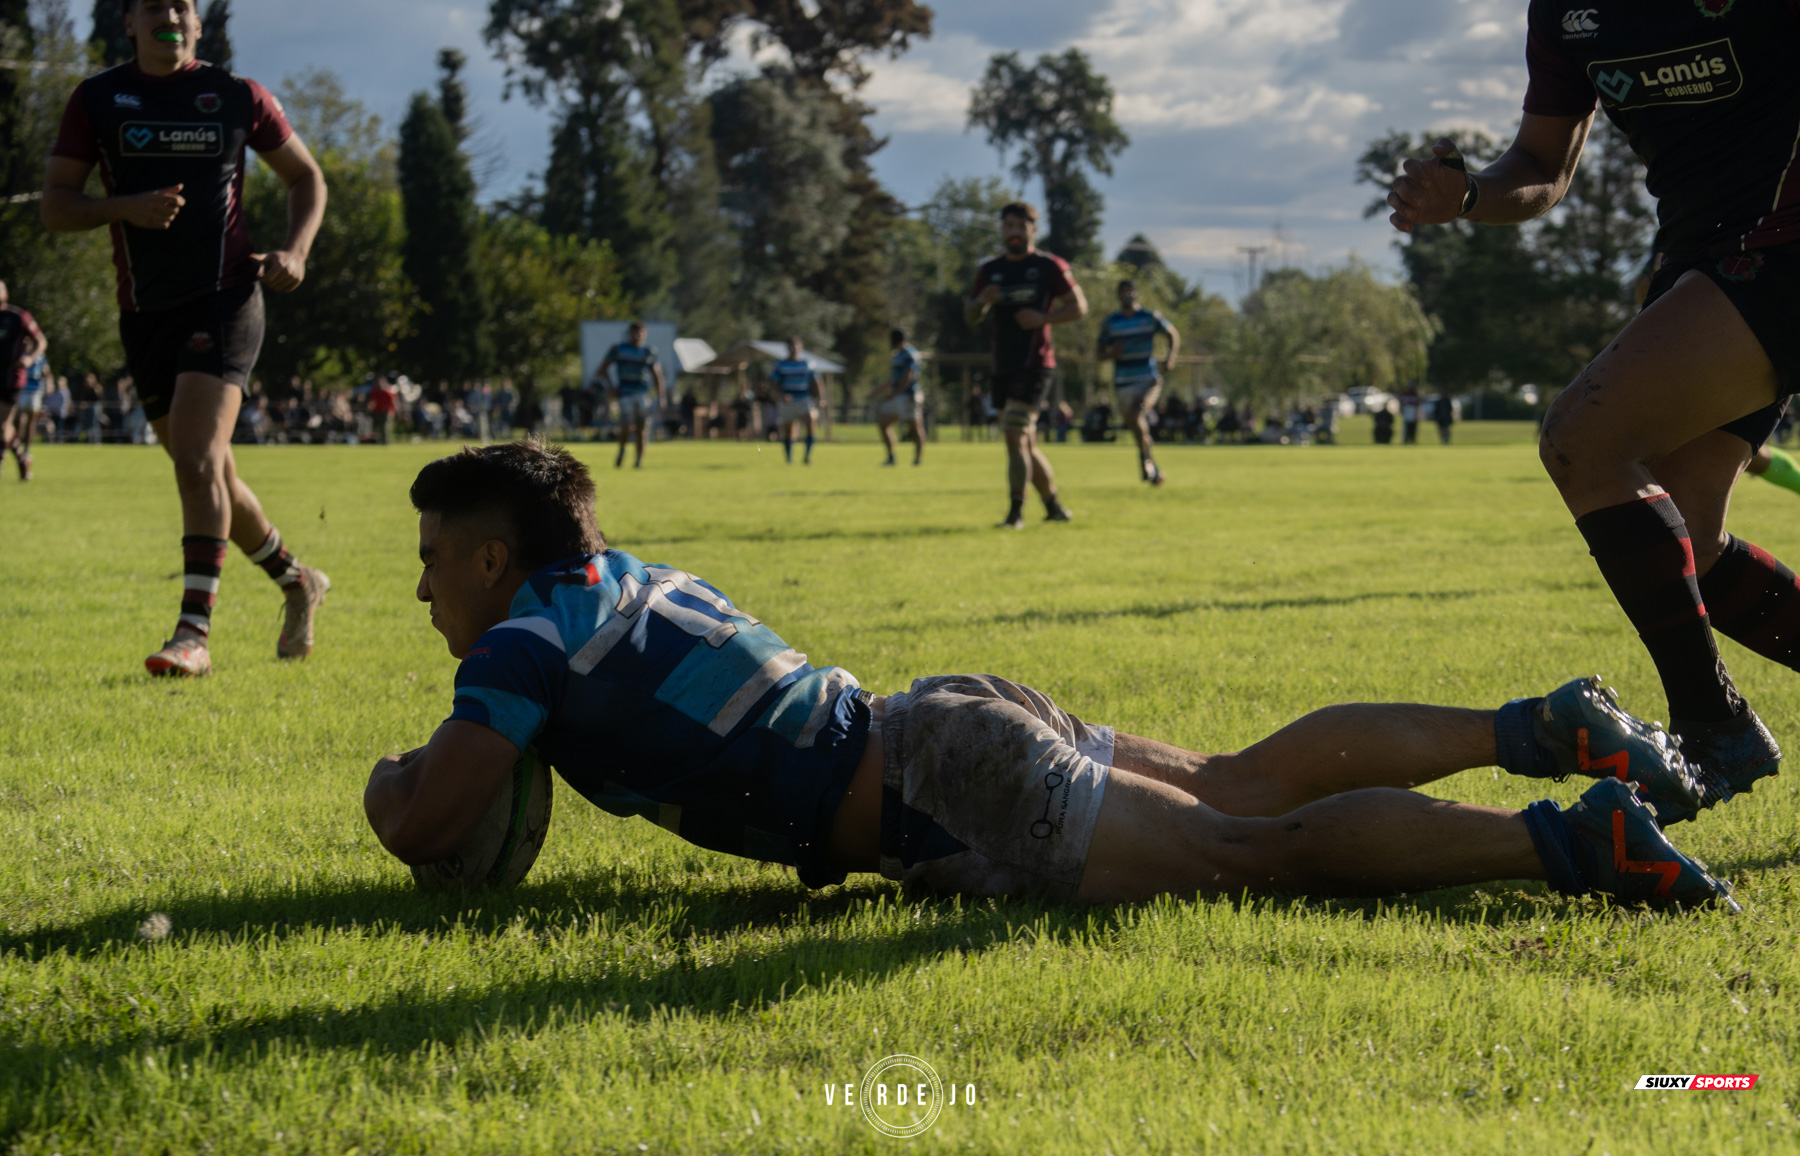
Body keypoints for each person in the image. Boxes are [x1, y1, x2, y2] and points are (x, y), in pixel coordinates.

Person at [364, 440, 1737, 911]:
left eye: (432, 562)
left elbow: (433, 827)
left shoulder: (523, 644)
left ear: (493, 559)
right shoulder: (618, 579)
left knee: (1248, 852)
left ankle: (1571, 844)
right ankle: (1536, 727)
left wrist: (391, 790)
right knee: (1239, 780)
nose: (423, 591)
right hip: (943, 720)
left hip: (938, 778)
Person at [1384, 0, 1799, 814]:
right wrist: (1467, 195)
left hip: (1780, 248)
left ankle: (1714, 729)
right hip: (1700, 256)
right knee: (1686, 533)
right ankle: (1717, 729)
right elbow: (1542, 164)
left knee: (1583, 438)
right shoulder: (1565, 12)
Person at [41, 0, 330, 677]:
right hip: (145, 314)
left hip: (227, 299)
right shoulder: (97, 99)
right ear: (130, 22)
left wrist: (295, 252)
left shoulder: (237, 96)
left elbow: (306, 177)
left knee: (198, 460)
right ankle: (298, 580)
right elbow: (56, 205)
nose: (168, 14)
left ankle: (192, 635)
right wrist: (123, 208)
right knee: (214, 472)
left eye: (181, 4)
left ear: (198, 24)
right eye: (153, 5)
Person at [965, 202, 1085, 529]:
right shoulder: (990, 270)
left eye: (1020, 226)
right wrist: (982, 302)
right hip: (1002, 364)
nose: (1014, 232)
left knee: (1014, 435)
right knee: (1025, 444)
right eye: (1008, 226)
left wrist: (1044, 318)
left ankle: (1015, 513)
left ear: (1033, 229)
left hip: (1035, 363)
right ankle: (1054, 508)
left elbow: (1078, 306)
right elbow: (970, 315)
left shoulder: (1048, 266)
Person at [1096, 279, 1180, 486]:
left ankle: (1144, 461)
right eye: (1123, 291)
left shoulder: (1150, 317)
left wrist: (1170, 358)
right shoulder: (1111, 322)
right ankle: (1153, 468)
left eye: (1130, 291)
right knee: (1135, 426)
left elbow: (1172, 334)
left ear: (1136, 293)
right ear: (1118, 295)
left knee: (1136, 414)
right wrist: (1112, 353)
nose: (1127, 294)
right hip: (1123, 381)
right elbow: (1099, 354)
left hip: (1147, 378)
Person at [594, 322, 665, 469]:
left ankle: (639, 461)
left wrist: (661, 396)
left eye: (640, 332)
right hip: (625, 394)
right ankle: (622, 449)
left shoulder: (649, 352)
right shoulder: (619, 349)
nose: (637, 335)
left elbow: (657, 375)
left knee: (641, 429)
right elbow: (602, 369)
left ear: (645, 334)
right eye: (634, 332)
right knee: (626, 427)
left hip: (643, 394)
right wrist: (610, 386)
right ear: (629, 333)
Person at [0, 280, 48, 481]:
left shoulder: (18, 317)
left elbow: (41, 341)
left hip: (11, 379)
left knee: (3, 425)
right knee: (4, 426)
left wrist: (29, 358)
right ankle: (22, 459)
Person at [876, 328, 926, 467]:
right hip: (896, 397)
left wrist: (895, 393)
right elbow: (894, 379)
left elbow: (908, 377)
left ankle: (917, 460)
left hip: (908, 396)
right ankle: (891, 458)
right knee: (883, 424)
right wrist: (878, 391)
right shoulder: (897, 354)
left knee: (915, 428)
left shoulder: (910, 354)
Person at [770, 336, 822, 465]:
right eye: (791, 345)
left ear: (800, 347)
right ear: (787, 348)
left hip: (804, 399)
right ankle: (789, 458)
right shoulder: (780, 365)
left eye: (796, 345)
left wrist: (820, 397)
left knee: (810, 421)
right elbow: (774, 383)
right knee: (788, 429)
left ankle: (807, 456)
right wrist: (781, 395)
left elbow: (816, 381)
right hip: (788, 401)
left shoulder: (807, 364)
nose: (793, 348)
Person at [368, 375, 398, 445]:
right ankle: (378, 441)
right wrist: (369, 410)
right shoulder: (375, 392)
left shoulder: (388, 391)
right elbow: (372, 402)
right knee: (377, 427)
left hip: (388, 412)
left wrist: (397, 412)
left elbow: (394, 402)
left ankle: (386, 442)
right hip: (377, 412)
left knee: (385, 427)